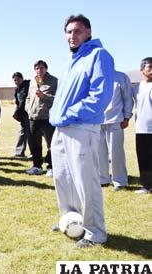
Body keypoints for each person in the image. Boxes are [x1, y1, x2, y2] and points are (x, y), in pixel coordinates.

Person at [49, 14, 114, 248]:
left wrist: (71, 113)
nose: (72, 36)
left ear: (88, 32)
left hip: (82, 127)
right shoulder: (71, 59)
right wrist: (58, 115)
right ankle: (70, 219)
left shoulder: (99, 55)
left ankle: (96, 232)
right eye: (68, 31)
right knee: (63, 179)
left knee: (85, 182)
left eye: (77, 31)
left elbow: (100, 96)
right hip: (61, 128)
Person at [99, 71, 133, 191]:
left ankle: (120, 181)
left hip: (115, 119)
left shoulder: (121, 77)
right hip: (96, 121)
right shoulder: (92, 76)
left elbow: (128, 98)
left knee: (116, 152)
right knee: (99, 153)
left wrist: (127, 116)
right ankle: (102, 179)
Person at [25, 60, 57, 176]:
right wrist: (28, 108)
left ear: (46, 69)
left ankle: (52, 167)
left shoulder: (54, 81)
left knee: (51, 144)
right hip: (33, 117)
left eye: (42, 68)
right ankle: (37, 166)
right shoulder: (32, 81)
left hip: (47, 118)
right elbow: (28, 97)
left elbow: (58, 99)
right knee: (34, 144)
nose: (39, 70)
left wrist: (45, 96)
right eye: (37, 68)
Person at [132, 57, 152, 194]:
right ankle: (146, 186)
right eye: (149, 67)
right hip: (141, 127)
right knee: (143, 157)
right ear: (142, 70)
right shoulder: (136, 87)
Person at [12, 72, 31, 159]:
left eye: (18, 79)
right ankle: (20, 153)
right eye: (15, 80)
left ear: (22, 78)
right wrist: (16, 111)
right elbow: (17, 102)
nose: (16, 81)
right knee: (24, 132)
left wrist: (17, 112)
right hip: (23, 114)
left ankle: (33, 152)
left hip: (30, 113)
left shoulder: (28, 85)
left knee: (32, 133)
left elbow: (23, 101)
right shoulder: (17, 89)